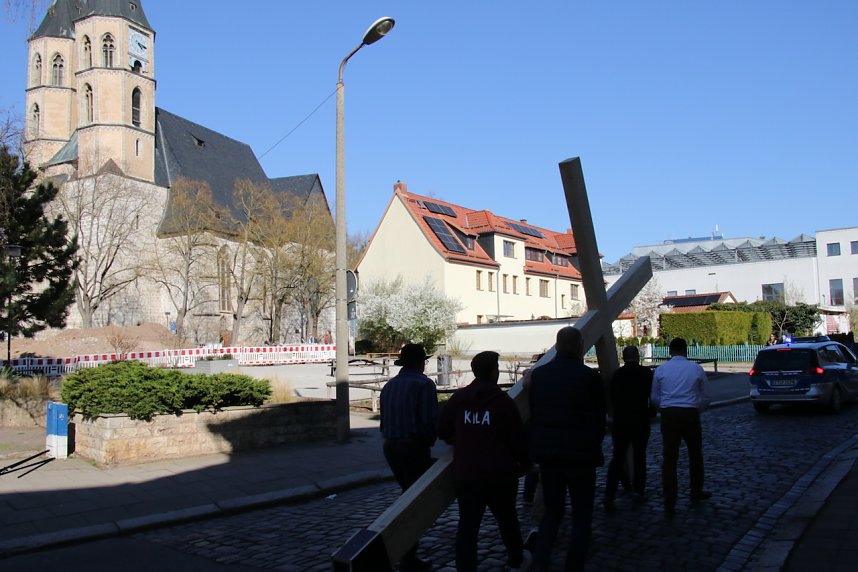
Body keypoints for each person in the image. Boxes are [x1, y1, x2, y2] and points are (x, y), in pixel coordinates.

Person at [438, 351, 531, 572]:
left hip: (466, 473)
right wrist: (526, 463)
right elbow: (517, 438)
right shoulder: (503, 402)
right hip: (499, 474)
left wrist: (460, 439)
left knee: (467, 527)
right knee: (507, 520)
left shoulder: (460, 398)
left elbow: (441, 428)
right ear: (493, 372)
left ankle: (465, 568)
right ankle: (517, 558)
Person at [528, 326, 606, 572]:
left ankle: (540, 562)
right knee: (582, 518)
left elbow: (534, 412)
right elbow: (599, 419)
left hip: (550, 458)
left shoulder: (539, 376)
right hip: (581, 458)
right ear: (580, 346)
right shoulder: (590, 377)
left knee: (551, 515)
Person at [379, 343, 438, 571]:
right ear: (419, 362)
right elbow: (429, 420)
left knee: (406, 495)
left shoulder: (390, 385)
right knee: (414, 503)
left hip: (390, 447)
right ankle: (407, 553)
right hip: (413, 447)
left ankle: (405, 550)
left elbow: (384, 420)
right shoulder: (423, 384)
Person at [651, 337, 712, 517]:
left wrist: (664, 408)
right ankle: (696, 490)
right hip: (690, 414)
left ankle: (669, 500)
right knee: (695, 454)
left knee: (669, 458)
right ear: (686, 351)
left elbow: (654, 397)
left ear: (670, 351)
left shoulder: (661, 370)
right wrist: (695, 407)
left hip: (669, 414)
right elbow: (706, 396)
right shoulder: (696, 368)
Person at [603, 346, 655, 512]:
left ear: (623, 358)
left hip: (621, 421)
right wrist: (651, 414)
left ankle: (609, 493)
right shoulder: (646, 373)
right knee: (639, 456)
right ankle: (639, 490)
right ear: (638, 357)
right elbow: (652, 397)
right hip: (640, 419)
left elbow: (611, 397)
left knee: (617, 457)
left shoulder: (617, 375)